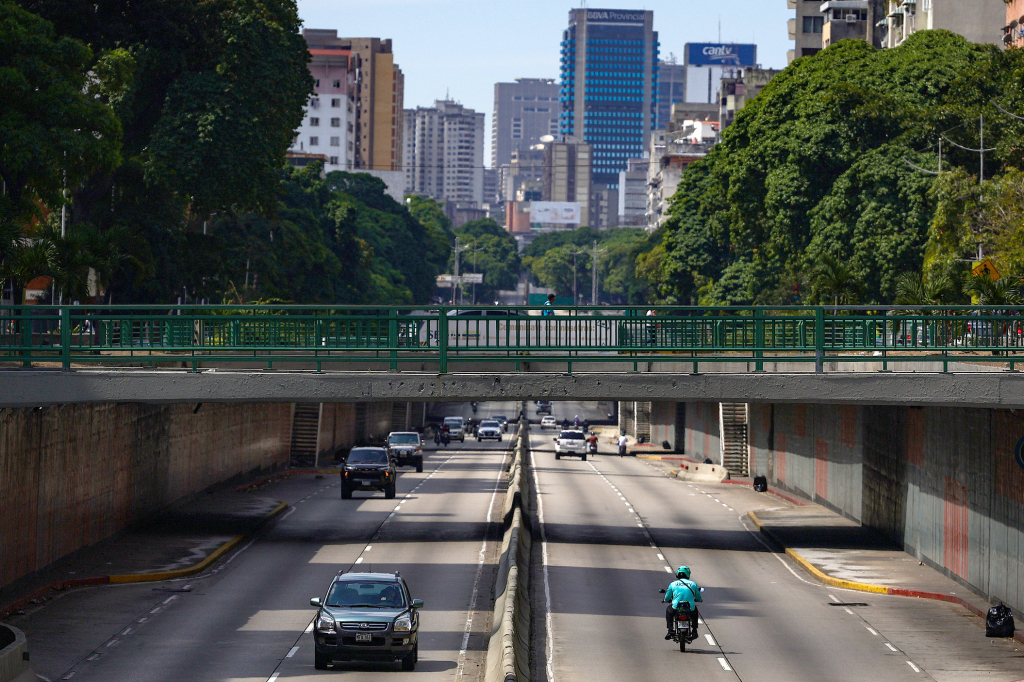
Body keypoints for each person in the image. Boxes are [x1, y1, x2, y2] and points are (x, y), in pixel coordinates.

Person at [663, 566, 702, 640]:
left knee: (669, 611)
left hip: (676, 607)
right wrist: (699, 600)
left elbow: (667, 596)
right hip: (690, 608)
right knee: (695, 613)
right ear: (688, 574)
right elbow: (698, 597)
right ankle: (694, 630)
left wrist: (665, 600)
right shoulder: (693, 584)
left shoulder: (673, 584)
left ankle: (670, 630)